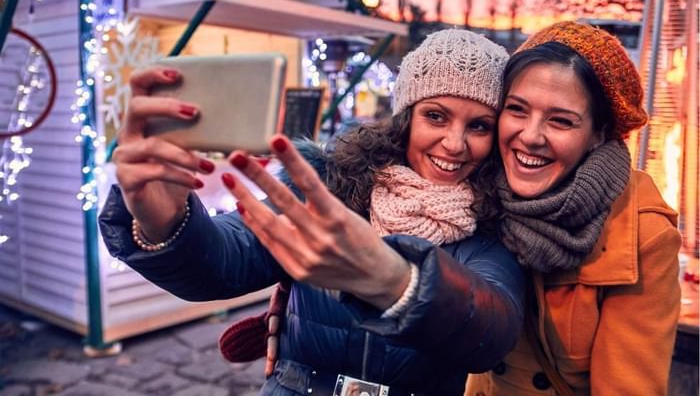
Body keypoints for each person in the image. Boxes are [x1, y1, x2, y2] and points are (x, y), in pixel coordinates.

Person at [99, 29, 525, 396]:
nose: (454, 144)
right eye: (436, 116)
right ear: (406, 118)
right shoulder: (331, 186)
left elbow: (487, 333)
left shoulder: (494, 223)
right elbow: (226, 260)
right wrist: (165, 221)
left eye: (479, 126)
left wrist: (394, 280)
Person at [464, 21, 682, 395]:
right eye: (517, 110)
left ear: (599, 134)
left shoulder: (643, 234)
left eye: (561, 121)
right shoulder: (479, 191)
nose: (530, 137)